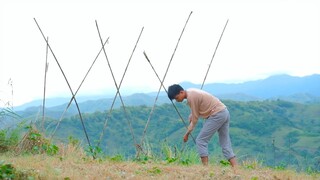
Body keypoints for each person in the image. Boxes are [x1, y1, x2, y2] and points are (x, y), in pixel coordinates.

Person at [167, 84, 237, 170]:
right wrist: (192, 114)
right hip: (224, 111)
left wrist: (187, 134)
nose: (177, 100)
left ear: (181, 92)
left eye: (177, 98)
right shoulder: (190, 91)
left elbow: (194, 120)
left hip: (216, 114)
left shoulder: (191, 98)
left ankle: (205, 169)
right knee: (225, 142)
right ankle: (236, 169)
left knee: (200, 140)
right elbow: (197, 108)